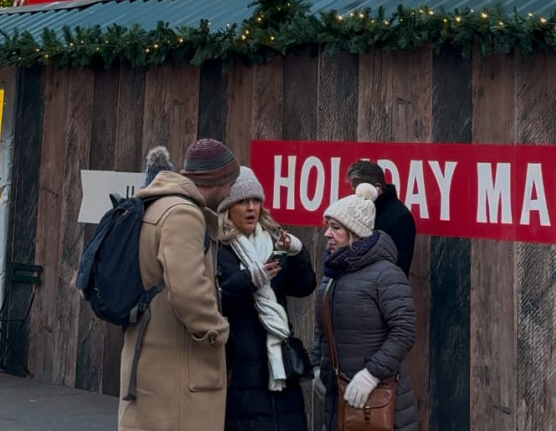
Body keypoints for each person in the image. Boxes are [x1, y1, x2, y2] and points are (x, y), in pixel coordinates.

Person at [118, 138, 236, 431]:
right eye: (231, 182)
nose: (232, 191)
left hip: (151, 358)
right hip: (177, 368)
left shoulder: (156, 204)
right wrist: (217, 331)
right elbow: (188, 290)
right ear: (217, 180)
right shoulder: (182, 214)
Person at [215, 167, 316, 431]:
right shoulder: (217, 248)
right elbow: (214, 303)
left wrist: (297, 253)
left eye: (256, 201)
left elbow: (304, 287)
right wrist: (249, 280)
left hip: (280, 364)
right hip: (240, 368)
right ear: (227, 207)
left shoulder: (272, 242)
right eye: (242, 202)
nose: (251, 208)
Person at [311, 184, 417, 431]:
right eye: (328, 226)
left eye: (336, 228)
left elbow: (404, 331)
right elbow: (322, 327)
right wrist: (318, 367)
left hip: (379, 399)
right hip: (339, 396)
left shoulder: (386, 274)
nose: (327, 234)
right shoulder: (333, 273)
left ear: (355, 233)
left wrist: (371, 374)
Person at [346, 160, 416, 275]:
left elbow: (398, 265)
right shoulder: (360, 210)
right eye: (354, 190)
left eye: (359, 190)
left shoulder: (400, 217)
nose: (356, 195)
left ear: (377, 188)